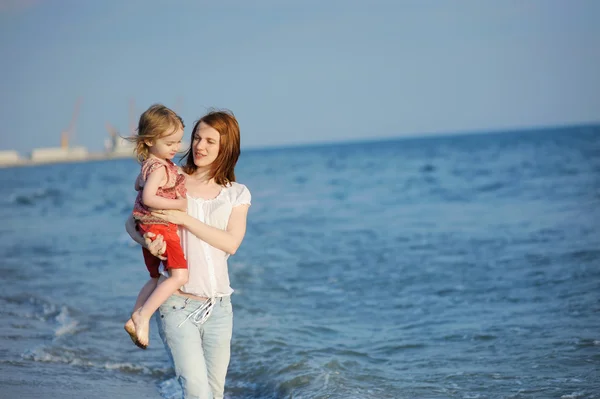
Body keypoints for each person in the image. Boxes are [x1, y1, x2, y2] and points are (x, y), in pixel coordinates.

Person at [125, 109, 251, 399]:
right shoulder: (171, 178)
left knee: (215, 393)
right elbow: (132, 223)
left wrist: (185, 219)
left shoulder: (236, 193)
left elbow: (231, 243)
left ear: (226, 147)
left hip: (219, 307)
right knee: (196, 391)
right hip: (177, 305)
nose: (199, 146)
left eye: (209, 141)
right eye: (196, 137)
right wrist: (148, 243)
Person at [124, 104, 189, 350]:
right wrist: (179, 203)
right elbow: (149, 198)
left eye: (178, 142)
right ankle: (143, 316)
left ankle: (135, 316)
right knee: (179, 275)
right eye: (170, 143)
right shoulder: (161, 167)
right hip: (161, 228)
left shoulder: (149, 164)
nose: (176, 148)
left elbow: (137, 186)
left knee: (156, 277)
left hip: (147, 228)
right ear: (150, 140)